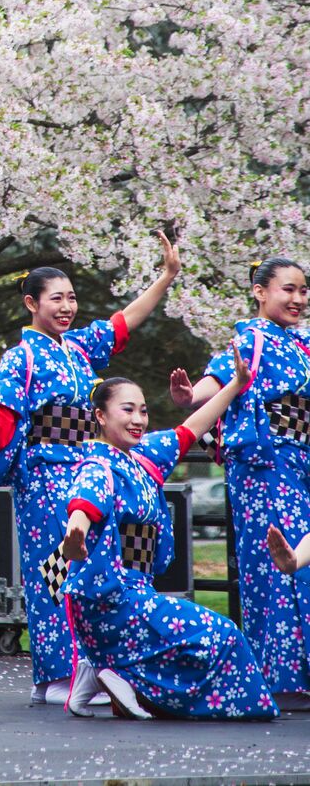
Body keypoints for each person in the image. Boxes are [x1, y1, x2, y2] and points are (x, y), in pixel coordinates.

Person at [0, 232, 180, 705]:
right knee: (55, 571)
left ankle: (91, 669)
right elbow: (2, 416)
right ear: (31, 303)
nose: (67, 306)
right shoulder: (20, 356)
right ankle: (56, 673)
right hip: (46, 476)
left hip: (87, 472)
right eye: (56, 298)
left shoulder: (80, 348)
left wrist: (165, 277)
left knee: (92, 572)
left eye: (71, 298)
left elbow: (123, 323)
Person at [58, 363, 277, 720]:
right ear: (99, 415)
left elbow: (191, 428)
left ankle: (99, 668)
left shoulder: (144, 456)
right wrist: (75, 536)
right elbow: (84, 506)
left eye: (143, 410)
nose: (138, 419)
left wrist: (236, 383)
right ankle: (119, 673)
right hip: (110, 603)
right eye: (127, 410)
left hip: (131, 598)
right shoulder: (97, 465)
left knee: (207, 635)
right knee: (223, 635)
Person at [170, 257, 310, 709]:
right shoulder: (250, 340)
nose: (298, 299)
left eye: (304, 291)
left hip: (304, 460)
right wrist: (190, 396)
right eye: (288, 289)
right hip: (267, 465)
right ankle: (283, 676)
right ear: (260, 292)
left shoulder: (306, 343)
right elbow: (219, 382)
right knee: (277, 561)